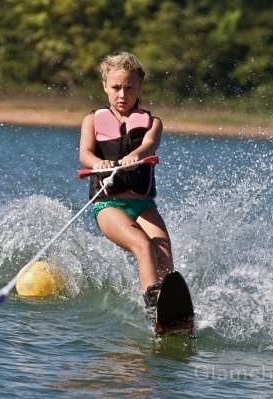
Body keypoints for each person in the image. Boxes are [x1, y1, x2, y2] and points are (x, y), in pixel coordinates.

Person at [79, 51, 173, 313]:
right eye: (116, 88)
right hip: (109, 206)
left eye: (129, 88)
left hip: (144, 205)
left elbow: (149, 145)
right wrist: (98, 163)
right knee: (142, 245)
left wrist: (135, 156)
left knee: (163, 250)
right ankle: (153, 308)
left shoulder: (152, 122)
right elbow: (85, 154)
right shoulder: (92, 120)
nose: (122, 95)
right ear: (105, 87)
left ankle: (173, 305)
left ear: (139, 86)